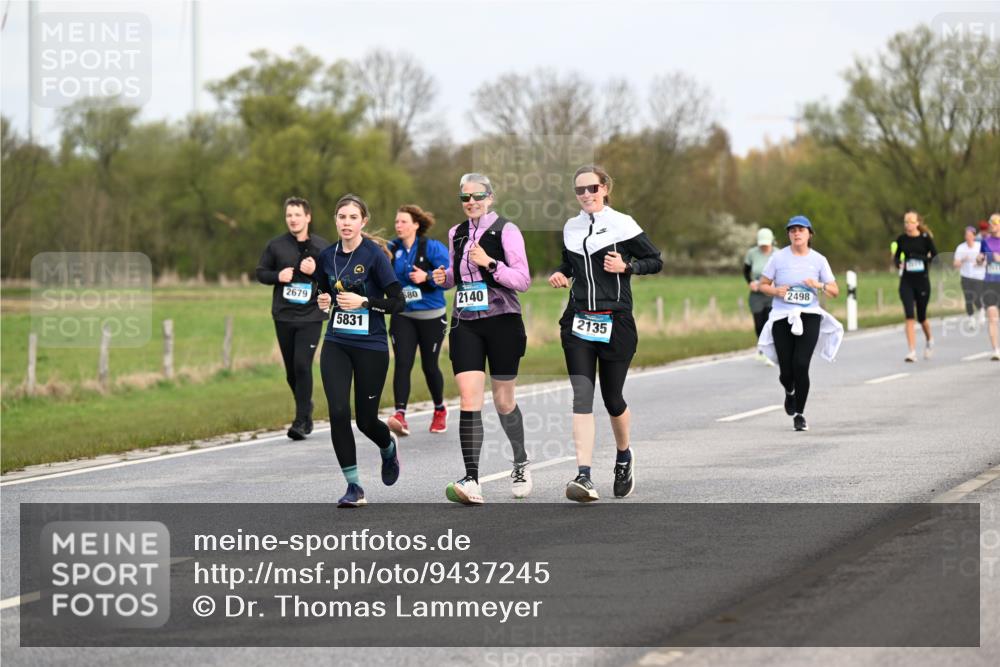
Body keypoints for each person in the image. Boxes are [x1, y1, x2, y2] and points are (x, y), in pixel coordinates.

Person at [549, 165, 663, 502]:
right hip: (578, 321)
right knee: (582, 396)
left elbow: (655, 260)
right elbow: (569, 265)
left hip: (616, 322)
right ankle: (583, 475)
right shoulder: (571, 227)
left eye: (592, 188)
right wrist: (560, 273)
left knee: (612, 399)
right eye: (580, 190)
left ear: (605, 188)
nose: (586, 195)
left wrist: (628, 266)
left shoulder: (623, 224)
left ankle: (624, 455)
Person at [431, 173, 532, 504]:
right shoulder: (456, 233)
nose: (471, 202)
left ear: (490, 197)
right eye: (465, 197)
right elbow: (455, 276)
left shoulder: (507, 230)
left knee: (503, 402)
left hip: (503, 321)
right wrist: (444, 277)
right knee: (468, 398)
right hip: (466, 323)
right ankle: (471, 479)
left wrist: (490, 263)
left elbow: (523, 280)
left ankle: (520, 461)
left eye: (477, 196)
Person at [315, 194, 406, 507]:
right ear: (335, 220)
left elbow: (398, 302)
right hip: (336, 342)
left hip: (371, 346)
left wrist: (365, 302)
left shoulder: (374, 256)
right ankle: (354, 486)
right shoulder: (326, 256)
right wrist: (323, 300)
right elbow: (322, 291)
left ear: (363, 221)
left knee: (365, 421)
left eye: (353, 217)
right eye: (342, 217)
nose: (346, 223)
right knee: (338, 412)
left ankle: (388, 447)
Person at [757, 216, 844, 432]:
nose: (796, 233)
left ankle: (799, 414)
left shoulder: (819, 260)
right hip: (782, 317)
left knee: (801, 364)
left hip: (809, 315)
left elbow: (835, 291)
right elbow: (762, 285)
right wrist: (775, 291)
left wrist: (819, 285)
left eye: (801, 230)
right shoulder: (778, 258)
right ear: (789, 234)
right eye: (792, 230)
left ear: (809, 234)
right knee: (786, 371)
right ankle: (790, 392)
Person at [255, 196, 329, 440]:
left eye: (297, 215)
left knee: (302, 365)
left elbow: (334, 277)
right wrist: (278, 276)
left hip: (311, 315)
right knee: (291, 372)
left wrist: (315, 271)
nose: (293, 219)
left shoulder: (322, 246)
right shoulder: (276, 245)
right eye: (289, 215)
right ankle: (306, 408)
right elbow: (261, 273)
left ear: (308, 217)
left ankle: (300, 422)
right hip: (284, 315)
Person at [386, 205, 451, 436]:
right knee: (402, 363)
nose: (398, 226)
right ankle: (400, 415)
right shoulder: (391, 249)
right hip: (403, 315)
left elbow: (449, 275)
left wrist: (428, 276)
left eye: (403, 221)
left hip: (431, 315)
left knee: (429, 366)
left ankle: (440, 410)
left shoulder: (432, 247)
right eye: (396, 221)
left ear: (415, 224)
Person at [894, 211, 938, 362]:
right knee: (909, 316)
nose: (908, 225)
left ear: (917, 223)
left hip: (922, 282)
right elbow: (897, 257)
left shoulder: (925, 239)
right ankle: (912, 351)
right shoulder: (901, 239)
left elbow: (935, 257)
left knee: (921, 317)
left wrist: (920, 258)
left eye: (911, 222)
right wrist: (898, 263)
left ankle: (929, 339)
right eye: (906, 222)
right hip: (907, 281)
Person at [744, 227, 777, 365]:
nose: (764, 246)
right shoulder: (752, 253)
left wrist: (775, 284)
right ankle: (762, 347)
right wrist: (750, 282)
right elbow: (746, 271)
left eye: (766, 244)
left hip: (772, 293)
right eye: (762, 244)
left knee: (768, 322)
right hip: (757, 293)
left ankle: (769, 351)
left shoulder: (778, 254)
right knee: (759, 324)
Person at [977, 213, 1000, 361]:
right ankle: (996, 350)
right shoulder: (985, 242)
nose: (991, 225)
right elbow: (981, 258)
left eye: (994, 222)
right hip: (990, 282)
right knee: (992, 315)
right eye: (990, 222)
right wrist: (979, 259)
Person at [954, 225, 986, 326]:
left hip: (978, 276)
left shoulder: (980, 246)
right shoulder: (961, 247)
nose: (968, 237)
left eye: (970, 235)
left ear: (974, 236)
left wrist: (979, 262)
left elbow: (986, 261)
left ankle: (981, 310)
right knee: (968, 298)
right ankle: (971, 319)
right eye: (966, 235)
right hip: (966, 276)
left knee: (977, 297)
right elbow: (955, 264)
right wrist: (963, 259)